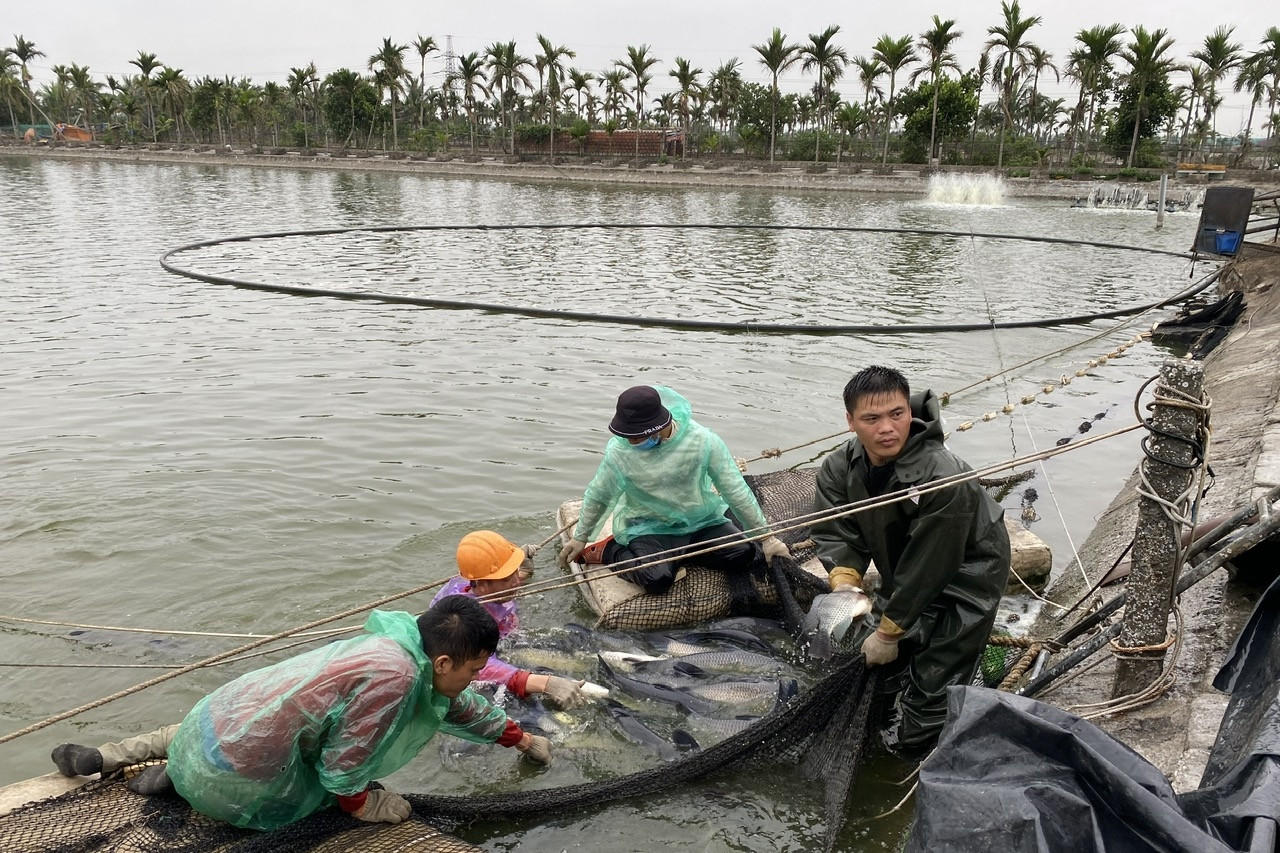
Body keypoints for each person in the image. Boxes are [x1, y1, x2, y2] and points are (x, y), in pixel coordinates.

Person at [49, 595, 552, 830]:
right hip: (235, 781)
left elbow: (455, 702)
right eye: (474, 669)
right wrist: (364, 805)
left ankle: (113, 757)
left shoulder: (397, 640)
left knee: (211, 729)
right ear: (443, 661)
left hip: (215, 718)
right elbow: (343, 766)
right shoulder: (395, 678)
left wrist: (518, 738)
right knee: (343, 787)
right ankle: (183, 785)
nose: (475, 679)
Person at [811, 365, 1011, 758]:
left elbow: (932, 565)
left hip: (967, 573)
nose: (887, 428)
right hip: (905, 566)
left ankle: (916, 752)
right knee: (877, 665)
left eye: (897, 414)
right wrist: (846, 583)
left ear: (910, 411)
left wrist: (888, 633)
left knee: (933, 684)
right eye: (871, 418)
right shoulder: (838, 466)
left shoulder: (942, 475)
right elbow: (837, 533)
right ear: (850, 421)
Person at [559, 385, 791, 594]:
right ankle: (611, 551)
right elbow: (600, 495)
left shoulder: (702, 441)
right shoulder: (619, 452)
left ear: (657, 427)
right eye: (626, 435)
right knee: (657, 580)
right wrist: (581, 537)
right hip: (647, 525)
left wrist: (767, 538)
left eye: (637, 437)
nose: (630, 442)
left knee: (744, 554)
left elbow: (734, 488)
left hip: (700, 521)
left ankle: (676, 556)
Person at [431, 530, 587, 709]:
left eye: (515, 572)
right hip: (489, 660)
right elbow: (479, 667)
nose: (516, 582)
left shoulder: (487, 588)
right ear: (481, 584)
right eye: (507, 578)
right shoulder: (461, 620)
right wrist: (544, 683)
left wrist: (525, 570)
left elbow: (504, 581)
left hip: (508, 638)